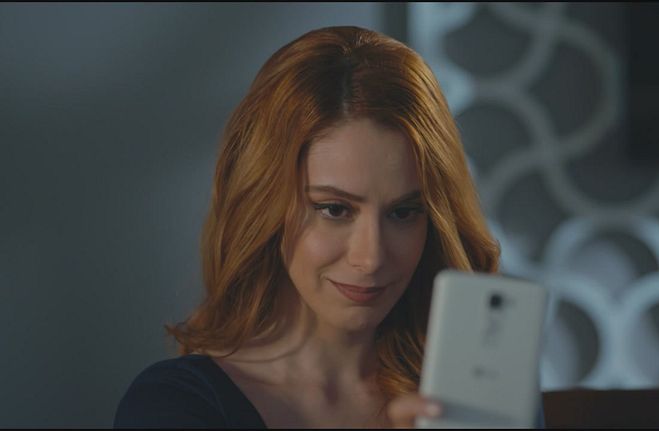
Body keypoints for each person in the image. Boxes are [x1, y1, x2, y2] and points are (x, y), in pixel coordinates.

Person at [114, 25, 503, 428]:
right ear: (264, 204)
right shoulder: (176, 405)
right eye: (334, 209)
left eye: (403, 213)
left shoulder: (474, 401)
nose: (371, 258)